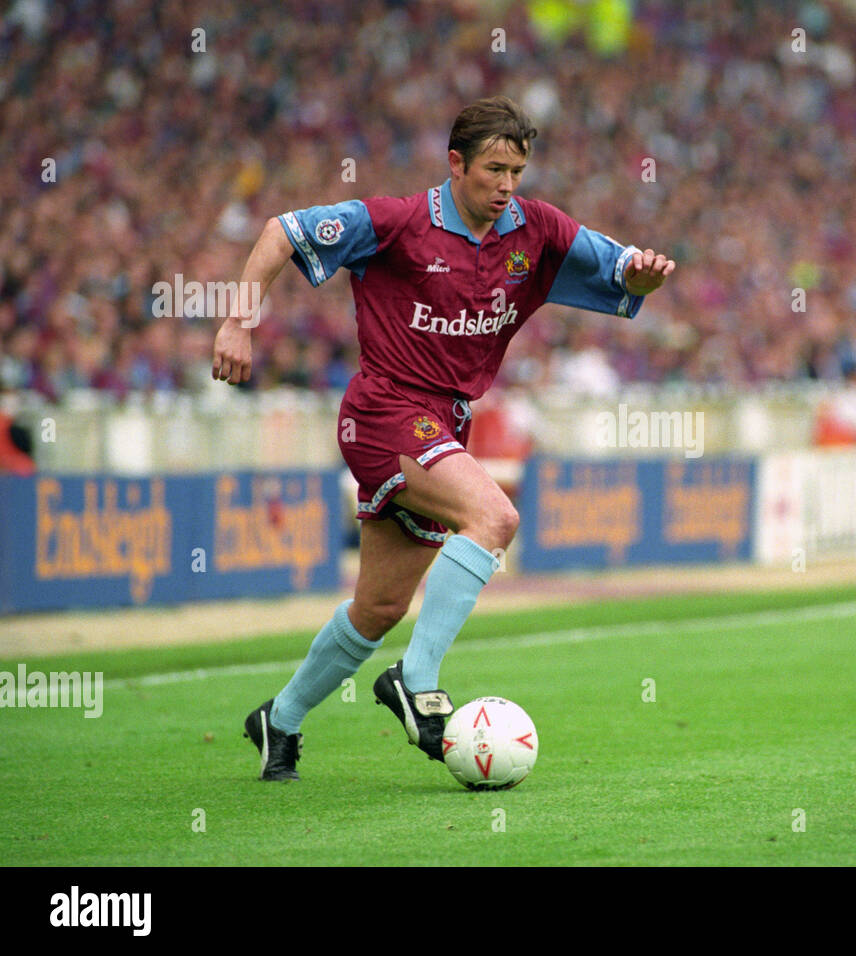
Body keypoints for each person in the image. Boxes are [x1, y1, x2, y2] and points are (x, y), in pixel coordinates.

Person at [212, 96, 675, 781]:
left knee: (377, 607)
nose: (507, 185)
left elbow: (622, 271)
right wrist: (237, 323)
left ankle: (277, 721)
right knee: (494, 515)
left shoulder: (536, 230)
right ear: (455, 163)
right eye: (494, 168)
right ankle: (415, 678)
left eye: (517, 170)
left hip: (442, 423)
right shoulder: (397, 223)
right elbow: (283, 231)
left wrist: (641, 278)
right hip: (384, 411)